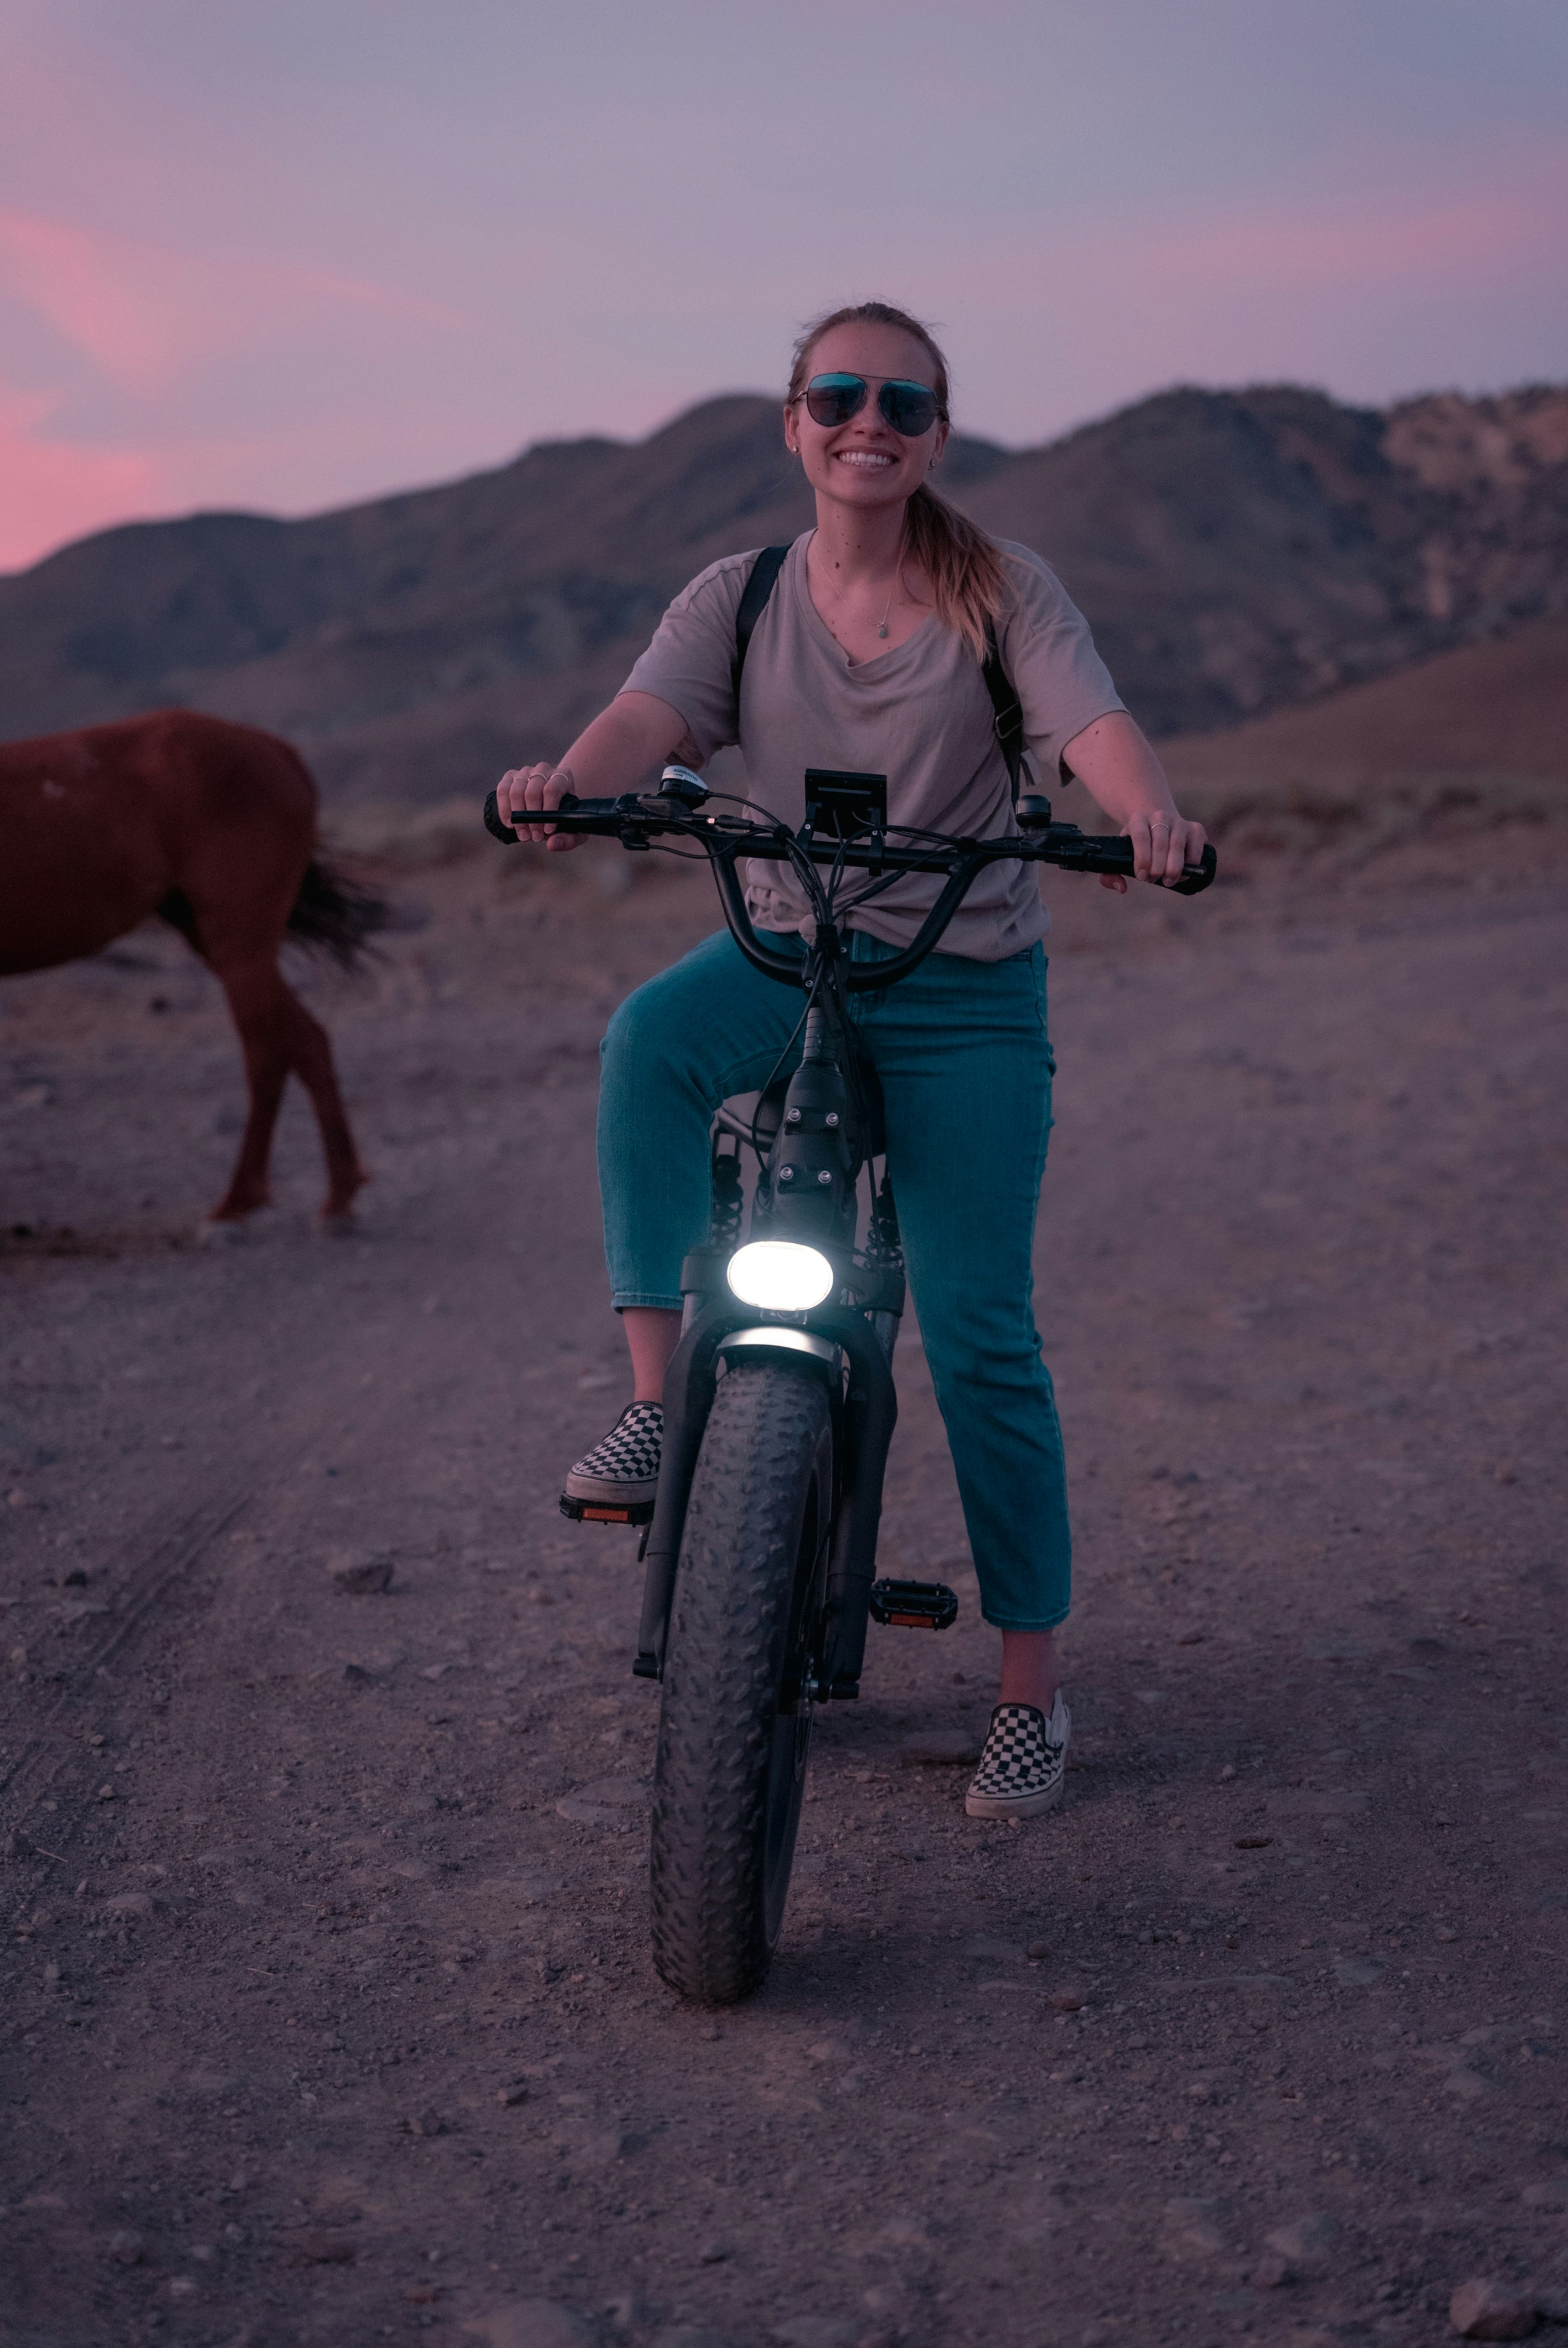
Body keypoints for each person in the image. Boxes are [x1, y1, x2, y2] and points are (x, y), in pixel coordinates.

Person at [497, 301, 1206, 1822]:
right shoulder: (741, 594)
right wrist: (570, 783)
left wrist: (1148, 815)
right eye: (838, 395)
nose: (865, 419)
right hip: (780, 950)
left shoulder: (1001, 585)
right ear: (795, 422)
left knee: (977, 1330)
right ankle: (649, 1400)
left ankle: (1029, 1693)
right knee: (650, 1044)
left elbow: (1092, 723)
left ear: (938, 433)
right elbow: (647, 716)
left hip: (958, 987)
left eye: (901, 399)